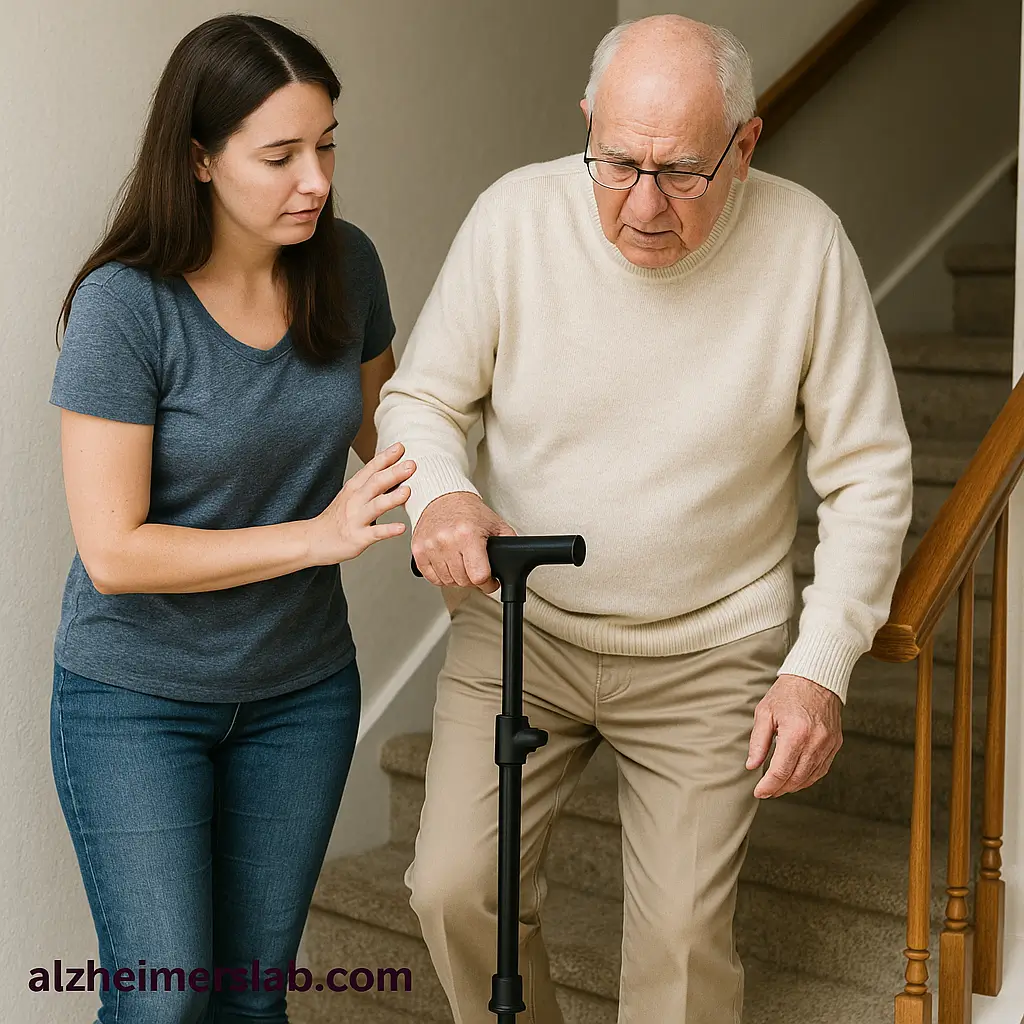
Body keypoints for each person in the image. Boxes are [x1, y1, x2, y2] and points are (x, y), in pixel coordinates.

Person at [374, 14, 913, 1024]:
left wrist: (818, 664)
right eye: (616, 163)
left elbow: (869, 475)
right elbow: (420, 399)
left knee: (677, 950)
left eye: (681, 172)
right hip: (520, 623)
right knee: (452, 890)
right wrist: (442, 488)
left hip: (711, 650)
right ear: (586, 124)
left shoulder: (806, 247)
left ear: (745, 145)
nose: (642, 204)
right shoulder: (512, 220)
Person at [47, 14, 415, 1024]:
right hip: (135, 702)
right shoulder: (126, 306)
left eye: (327, 145)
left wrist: (466, 505)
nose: (317, 180)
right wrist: (315, 537)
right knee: (163, 1002)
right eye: (281, 154)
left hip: (299, 695)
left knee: (252, 1003)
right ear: (201, 158)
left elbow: (398, 443)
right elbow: (113, 552)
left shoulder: (348, 266)